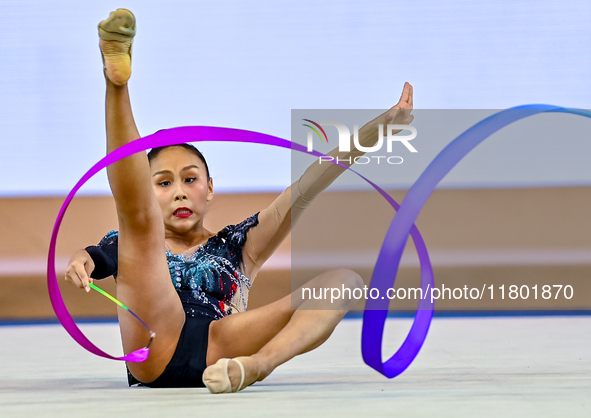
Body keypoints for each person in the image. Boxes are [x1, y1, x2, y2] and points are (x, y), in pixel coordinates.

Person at [64, 8, 414, 393]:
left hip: (224, 344)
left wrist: (380, 129)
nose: (179, 190)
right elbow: (95, 256)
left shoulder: (237, 245)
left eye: (190, 179)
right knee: (138, 226)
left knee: (344, 280)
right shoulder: (133, 242)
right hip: (155, 343)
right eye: (162, 184)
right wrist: (82, 258)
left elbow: (309, 185)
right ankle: (117, 83)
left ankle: (258, 366)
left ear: (209, 188)